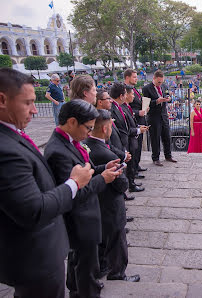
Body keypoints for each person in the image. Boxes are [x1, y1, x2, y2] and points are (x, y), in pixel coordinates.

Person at [0, 68, 93, 298]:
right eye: (29, 102)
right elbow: (34, 210)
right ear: (2, 100)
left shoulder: (13, 134)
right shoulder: (5, 149)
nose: (34, 109)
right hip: (35, 257)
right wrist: (74, 183)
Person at [44, 100, 122, 298]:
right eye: (88, 128)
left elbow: (85, 172)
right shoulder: (58, 151)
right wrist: (103, 179)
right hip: (80, 220)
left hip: (87, 216)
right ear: (71, 122)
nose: (90, 133)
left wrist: (103, 168)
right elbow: (72, 193)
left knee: (80, 265)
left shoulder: (70, 142)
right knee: (87, 270)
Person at [84, 109, 140, 283]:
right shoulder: (106, 152)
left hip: (98, 201)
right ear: (104, 129)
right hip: (111, 202)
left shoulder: (87, 145)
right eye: (110, 126)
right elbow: (122, 184)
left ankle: (102, 266)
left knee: (102, 238)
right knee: (117, 238)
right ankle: (117, 272)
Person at [110, 83, 147, 192]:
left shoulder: (123, 107)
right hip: (124, 141)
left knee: (130, 165)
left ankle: (130, 183)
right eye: (127, 94)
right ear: (122, 96)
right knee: (126, 167)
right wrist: (138, 130)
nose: (131, 96)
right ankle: (128, 186)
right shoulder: (114, 109)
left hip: (128, 140)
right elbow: (123, 128)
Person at [142, 70, 177, 166]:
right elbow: (145, 104)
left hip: (164, 115)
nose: (160, 84)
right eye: (158, 82)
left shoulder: (164, 86)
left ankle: (168, 155)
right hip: (153, 116)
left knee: (167, 136)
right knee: (155, 137)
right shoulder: (146, 88)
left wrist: (168, 98)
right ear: (154, 78)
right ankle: (155, 158)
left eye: (161, 82)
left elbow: (167, 95)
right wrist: (156, 101)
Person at [124, 69, 149, 173]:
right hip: (134, 122)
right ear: (127, 78)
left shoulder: (134, 89)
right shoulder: (125, 90)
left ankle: (136, 165)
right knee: (134, 147)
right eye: (134, 77)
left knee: (138, 147)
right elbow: (125, 107)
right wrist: (138, 112)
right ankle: (133, 169)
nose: (136, 79)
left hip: (140, 120)